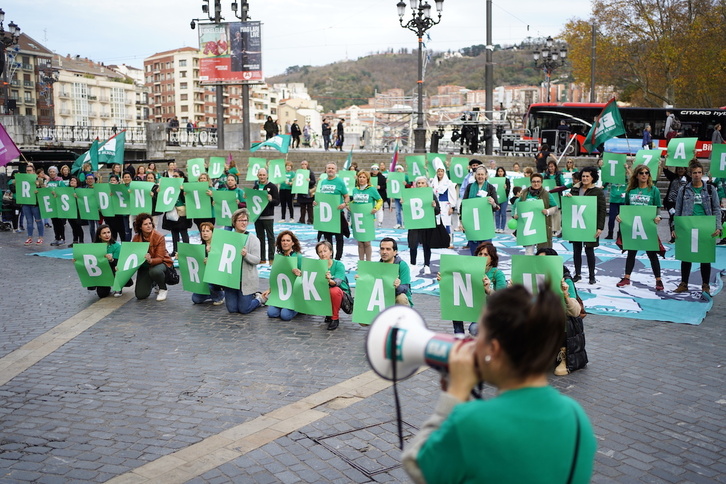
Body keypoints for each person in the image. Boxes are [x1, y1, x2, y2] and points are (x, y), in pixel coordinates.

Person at [401, 283, 596, 484]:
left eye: (479, 336)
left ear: (493, 348)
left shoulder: (472, 421)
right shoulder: (577, 416)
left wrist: (456, 392)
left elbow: (416, 464)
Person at [536, 247, 590, 376]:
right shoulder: (532, 279)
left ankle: (564, 354)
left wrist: (565, 295)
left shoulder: (565, 280)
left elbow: (576, 311)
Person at [673, 160, 722, 294]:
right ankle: (684, 283)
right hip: (688, 226)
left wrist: (718, 226)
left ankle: (705, 284)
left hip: (706, 226)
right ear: (690, 174)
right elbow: (678, 210)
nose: (697, 175)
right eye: (694, 173)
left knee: (705, 257)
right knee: (686, 256)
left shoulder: (711, 189)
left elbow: (717, 209)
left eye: (699, 172)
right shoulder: (683, 190)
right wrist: (674, 227)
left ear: (703, 174)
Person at [614, 164, 664, 291]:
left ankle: (658, 280)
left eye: (647, 173)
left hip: (647, 226)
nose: (644, 175)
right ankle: (626, 277)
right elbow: (626, 209)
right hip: (633, 227)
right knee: (631, 252)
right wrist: (619, 217)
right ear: (636, 175)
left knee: (652, 253)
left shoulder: (654, 190)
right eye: (641, 173)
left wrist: (658, 217)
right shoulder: (630, 191)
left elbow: (658, 208)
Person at [444, 241, 507, 335]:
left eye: (486, 254)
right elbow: (455, 283)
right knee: (455, 313)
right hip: (470, 306)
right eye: (480, 254)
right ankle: (459, 338)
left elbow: (502, 298)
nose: (482, 257)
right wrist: (443, 279)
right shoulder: (469, 270)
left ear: (492, 258)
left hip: (487, 311)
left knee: (474, 329)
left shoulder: (497, 273)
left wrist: (488, 290)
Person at [566, 166, 606, 284]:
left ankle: (591, 275)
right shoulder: (574, 189)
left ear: (593, 177)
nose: (584, 178)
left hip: (590, 224)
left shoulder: (597, 192)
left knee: (589, 250)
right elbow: (570, 207)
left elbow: (602, 210)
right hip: (576, 224)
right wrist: (568, 198)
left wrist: (600, 227)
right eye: (583, 176)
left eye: (587, 176)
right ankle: (577, 274)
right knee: (576, 250)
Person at [225, 208, 266, 313]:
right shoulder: (227, 237)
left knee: (244, 309)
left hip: (246, 280)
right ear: (234, 222)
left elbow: (257, 260)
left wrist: (246, 255)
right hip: (231, 280)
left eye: (245, 220)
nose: (244, 223)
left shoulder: (253, 239)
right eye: (240, 220)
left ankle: (259, 299)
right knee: (232, 309)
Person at [512, 173, 558, 254]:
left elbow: (555, 208)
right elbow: (518, 205)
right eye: (534, 181)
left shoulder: (547, 194)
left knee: (543, 251)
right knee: (529, 252)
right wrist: (516, 214)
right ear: (530, 182)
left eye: (538, 181)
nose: (536, 183)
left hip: (543, 226)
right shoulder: (525, 193)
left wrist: (547, 211)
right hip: (528, 227)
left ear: (541, 182)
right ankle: (530, 266)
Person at [131, 213, 173, 301]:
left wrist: (150, 260)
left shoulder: (159, 236)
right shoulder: (136, 238)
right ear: (140, 227)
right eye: (145, 224)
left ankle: (163, 288)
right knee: (140, 295)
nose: (149, 226)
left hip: (161, 263)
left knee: (155, 271)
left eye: (150, 223)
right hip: (145, 266)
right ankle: (154, 281)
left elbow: (160, 258)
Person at [264, 231, 303, 321]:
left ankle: (299, 308)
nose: (285, 242)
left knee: (285, 316)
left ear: (293, 243)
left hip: (294, 294)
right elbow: (276, 277)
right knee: (271, 313)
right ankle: (284, 306)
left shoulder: (298, 257)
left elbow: (306, 277)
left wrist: (299, 274)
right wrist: (269, 290)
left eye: (288, 240)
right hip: (281, 293)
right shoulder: (279, 257)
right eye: (283, 240)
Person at [461, 166, 500, 255]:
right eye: (478, 174)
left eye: (482, 174)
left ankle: (485, 268)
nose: (480, 176)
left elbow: (497, 207)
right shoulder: (469, 187)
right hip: (472, 223)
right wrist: (461, 221)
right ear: (475, 176)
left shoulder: (490, 188)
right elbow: (463, 205)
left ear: (486, 175)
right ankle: (476, 268)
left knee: (486, 250)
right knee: (474, 251)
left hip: (485, 224)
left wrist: (493, 203)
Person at [406, 177, 440, 275]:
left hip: (426, 224)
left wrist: (434, 206)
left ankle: (427, 265)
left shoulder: (431, 195)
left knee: (426, 245)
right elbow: (407, 210)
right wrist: (404, 203)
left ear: (426, 184)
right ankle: (413, 264)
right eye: (419, 183)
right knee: (413, 244)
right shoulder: (410, 195)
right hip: (415, 224)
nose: (420, 185)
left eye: (422, 183)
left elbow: (438, 211)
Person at [316, 163, 350, 260]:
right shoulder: (323, 182)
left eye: (332, 168)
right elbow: (320, 197)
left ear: (336, 170)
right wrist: (316, 203)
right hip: (326, 215)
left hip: (337, 214)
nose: (330, 170)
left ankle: (338, 258)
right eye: (328, 168)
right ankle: (329, 257)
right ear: (325, 170)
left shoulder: (339, 182)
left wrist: (344, 204)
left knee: (339, 238)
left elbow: (346, 196)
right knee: (327, 238)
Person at [316, 240, 349, 330]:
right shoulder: (316, 265)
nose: (323, 254)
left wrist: (330, 280)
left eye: (325, 251)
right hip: (323, 290)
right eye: (320, 252)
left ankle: (335, 318)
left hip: (340, 291)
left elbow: (337, 282)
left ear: (331, 252)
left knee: (334, 291)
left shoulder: (339, 265)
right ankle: (328, 311)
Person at [350, 170, 382, 262]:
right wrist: (349, 205)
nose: (362, 179)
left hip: (368, 218)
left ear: (367, 179)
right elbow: (354, 201)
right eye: (360, 177)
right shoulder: (355, 189)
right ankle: (361, 262)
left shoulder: (372, 189)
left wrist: (376, 208)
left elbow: (380, 200)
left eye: (364, 177)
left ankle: (368, 262)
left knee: (367, 242)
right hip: (357, 218)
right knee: (360, 242)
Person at [191, 222, 225, 305]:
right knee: (195, 299)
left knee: (209, 283)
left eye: (207, 231)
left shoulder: (218, 246)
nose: (205, 233)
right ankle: (211, 295)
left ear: (212, 233)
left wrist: (211, 258)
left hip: (215, 278)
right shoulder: (200, 247)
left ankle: (219, 296)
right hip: (203, 277)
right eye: (203, 231)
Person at [253, 168, 280, 264]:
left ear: (267, 175)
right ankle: (262, 258)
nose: (262, 177)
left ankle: (271, 258)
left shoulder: (272, 187)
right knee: (259, 238)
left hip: (268, 216)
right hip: (257, 216)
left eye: (264, 175)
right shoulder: (255, 187)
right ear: (257, 176)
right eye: (260, 175)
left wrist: (271, 199)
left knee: (270, 237)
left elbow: (277, 202)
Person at [162, 171, 191, 258]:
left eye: (176, 176)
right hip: (171, 210)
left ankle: (187, 251)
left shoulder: (185, 186)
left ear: (181, 177)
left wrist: (183, 191)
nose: (174, 177)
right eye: (173, 176)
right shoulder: (170, 186)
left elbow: (188, 200)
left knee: (183, 232)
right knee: (174, 232)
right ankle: (175, 250)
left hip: (182, 211)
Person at [92, 224, 123, 298]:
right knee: (102, 294)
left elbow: (119, 263)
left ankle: (118, 287)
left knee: (117, 268)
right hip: (101, 271)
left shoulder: (116, 246)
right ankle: (105, 285)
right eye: (104, 233)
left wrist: (111, 260)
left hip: (113, 269)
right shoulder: (94, 246)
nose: (107, 235)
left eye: (108, 232)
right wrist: (77, 260)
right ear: (99, 236)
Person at [430, 162, 458, 244]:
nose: (440, 173)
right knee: (436, 223)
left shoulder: (448, 183)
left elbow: (452, 195)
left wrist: (452, 207)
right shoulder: (433, 182)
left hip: (445, 205)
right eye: (438, 171)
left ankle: (449, 241)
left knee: (447, 223)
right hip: (435, 205)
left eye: (441, 171)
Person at [379, 237, 412, 306]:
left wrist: (398, 287)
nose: (384, 252)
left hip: (396, 296)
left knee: (401, 298)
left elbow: (405, 288)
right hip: (381, 297)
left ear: (395, 252)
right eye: (382, 249)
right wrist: (362, 279)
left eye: (388, 249)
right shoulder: (377, 266)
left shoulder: (402, 265)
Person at [21, 163, 45, 246]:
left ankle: (41, 237)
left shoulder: (39, 179)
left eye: (30, 171)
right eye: (27, 171)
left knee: (38, 221)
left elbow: (44, 191)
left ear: (33, 171)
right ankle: (29, 237)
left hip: (35, 204)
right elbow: (14, 184)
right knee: (29, 222)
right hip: (26, 203)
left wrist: (38, 188)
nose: (28, 172)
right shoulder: (23, 179)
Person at [46, 166, 68, 247]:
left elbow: (64, 192)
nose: (52, 173)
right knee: (54, 222)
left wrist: (56, 193)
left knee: (60, 222)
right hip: (52, 205)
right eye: (50, 172)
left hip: (59, 205)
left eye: (53, 171)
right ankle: (57, 237)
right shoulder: (47, 182)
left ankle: (62, 238)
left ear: (56, 172)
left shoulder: (60, 182)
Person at [297, 160, 316, 224]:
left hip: (308, 191)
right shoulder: (299, 172)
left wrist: (309, 181)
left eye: (305, 164)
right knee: (302, 207)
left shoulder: (310, 172)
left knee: (310, 207)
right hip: (301, 191)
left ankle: (310, 220)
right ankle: (301, 219)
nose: (304, 165)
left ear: (307, 165)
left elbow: (314, 182)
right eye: (302, 164)